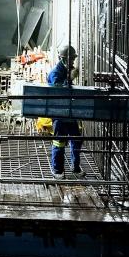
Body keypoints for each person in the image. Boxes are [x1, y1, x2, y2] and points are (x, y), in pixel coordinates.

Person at [46, 46, 83, 178]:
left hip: (70, 113)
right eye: (71, 59)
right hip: (59, 114)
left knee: (76, 140)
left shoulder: (66, 70)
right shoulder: (55, 73)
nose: (73, 62)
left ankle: (76, 167)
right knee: (59, 142)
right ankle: (57, 171)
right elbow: (58, 90)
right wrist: (70, 79)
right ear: (63, 59)